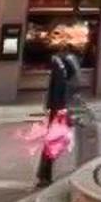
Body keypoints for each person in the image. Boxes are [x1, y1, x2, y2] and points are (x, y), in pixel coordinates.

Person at [35, 26, 81, 187]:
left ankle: (45, 174)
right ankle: (45, 174)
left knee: (56, 140)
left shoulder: (62, 61)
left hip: (60, 106)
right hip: (61, 106)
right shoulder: (64, 61)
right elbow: (67, 84)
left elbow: (64, 84)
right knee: (55, 140)